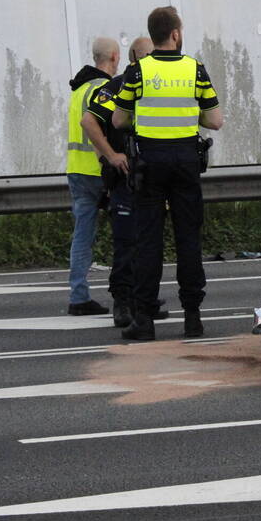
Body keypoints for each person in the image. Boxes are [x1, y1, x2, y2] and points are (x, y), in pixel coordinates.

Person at [113, 7, 223, 340]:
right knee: (188, 239)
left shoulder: (137, 71)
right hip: (186, 161)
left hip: (149, 163)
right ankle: (193, 317)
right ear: (175, 34)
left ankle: (144, 319)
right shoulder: (195, 69)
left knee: (148, 241)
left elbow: (118, 120)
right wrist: (189, 115)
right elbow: (215, 120)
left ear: (154, 34)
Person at [81, 36, 162, 328]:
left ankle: (144, 301)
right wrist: (112, 155)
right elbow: (89, 121)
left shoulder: (157, 85)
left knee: (149, 243)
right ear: (137, 58)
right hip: (126, 179)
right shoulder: (116, 87)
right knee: (126, 242)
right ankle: (123, 301)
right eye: (151, 56)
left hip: (153, 177)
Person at [65, 37, 120, 316]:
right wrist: (110, 159)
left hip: (76, 169)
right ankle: (125, 294)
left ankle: (78, 296)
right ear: (114, 57)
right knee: (125, 232)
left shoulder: (79, 89)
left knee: (83, 235)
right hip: (99, 170)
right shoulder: (103, 89)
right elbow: (100, 128)